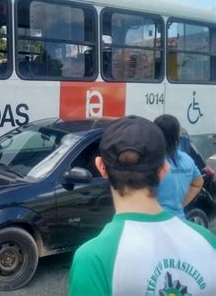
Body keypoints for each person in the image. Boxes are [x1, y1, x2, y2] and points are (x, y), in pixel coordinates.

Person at [69, 115, 216, 295]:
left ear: (101, 166)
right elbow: (198, 181)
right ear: (164, 170)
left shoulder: (92, 258)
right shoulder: (207, 241)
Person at [154, 114, 204, 219]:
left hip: (155, 221)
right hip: (179, 220)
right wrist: (180, 204)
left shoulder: (152, 160)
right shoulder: (187, 159)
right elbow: (198, 183)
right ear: (177, 135)